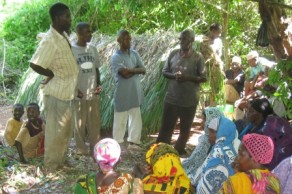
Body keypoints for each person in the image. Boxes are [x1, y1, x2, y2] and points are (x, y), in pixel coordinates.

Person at [29, 2, 79, 171]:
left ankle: (61, 161)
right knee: (54, 132)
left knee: (65, 131)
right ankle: (51, 166)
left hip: (66, 92)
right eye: (67, 16)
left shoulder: (61, 35)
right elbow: (35, 64)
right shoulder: (50, 40)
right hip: (56, 94)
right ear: (57, 18)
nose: (70, 19)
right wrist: (50, 74)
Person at [156, 29, 207, 155]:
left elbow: (204, 77)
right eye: (180, 39)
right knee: (166, 127)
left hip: (189, 99)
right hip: (172, 98)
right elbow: (165, 71)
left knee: (185, 128)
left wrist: (188, 78)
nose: (181, 41)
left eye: (184, 39)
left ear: (191, 41)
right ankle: (161, 150)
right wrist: (175, 76)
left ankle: (179, 149)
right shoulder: (173, 54)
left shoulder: (198, 57)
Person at [111, 30, 146, 149]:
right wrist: (135, 69)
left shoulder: (134, 54)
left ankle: (134, 142)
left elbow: (143, 70)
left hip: (135, 93)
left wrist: (130, 70)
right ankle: (117, 144)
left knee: (136, 119)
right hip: (122, 94)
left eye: (130, 39)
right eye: (126, 39)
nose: (129, 41)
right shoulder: (116, 57)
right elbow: (123, 74)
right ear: (119, 41)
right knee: (120, 120)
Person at [72, 22, 102, 156]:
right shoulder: (72, 50)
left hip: (92, 93)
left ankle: (95, 149)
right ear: (79, 34)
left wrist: (98, 84)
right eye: (87, 32)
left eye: (90, 31)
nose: (90, 34)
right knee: (79, 124)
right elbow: (69, 72)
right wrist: (74, 89)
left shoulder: (93, 49)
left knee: (94, 123)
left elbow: (96, 69)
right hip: (78, 93)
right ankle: (81, 149)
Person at [74, 138, 143, 194]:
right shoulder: (129, 182)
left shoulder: (82, 182)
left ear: (94, 159)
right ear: (119, 160)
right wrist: (138, 179)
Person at [192, 117, 240, 193]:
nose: (209, 134)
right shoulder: (234, 147)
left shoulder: (218, 152)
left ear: (221, 133)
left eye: (212, 131)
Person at [182, 107, 224, 179]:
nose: (202, 122)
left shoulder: (205, 141)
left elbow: (192, 163)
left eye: (204, 119)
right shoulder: (225, 138)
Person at [199, 23, 223, 106]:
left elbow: (219, 54)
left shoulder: (219, 42)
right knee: (202, 87)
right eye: (218, 32)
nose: (220, 35)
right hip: (203, 67)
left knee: (214, 88)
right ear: (212, 31)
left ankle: (212, 106)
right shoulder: (203, 40)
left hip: (214, 67)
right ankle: (203, 107)